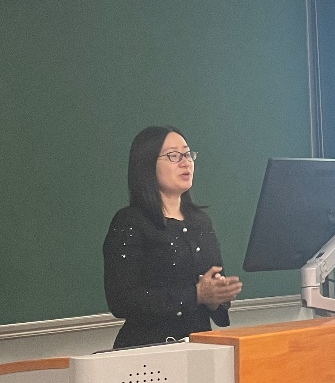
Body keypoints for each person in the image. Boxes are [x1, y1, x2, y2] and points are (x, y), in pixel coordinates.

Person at [103, 125, 242, 348]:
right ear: (147, 165)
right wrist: (195, 295)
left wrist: (217, 297)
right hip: (148, 351)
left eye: (187, 154)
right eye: (173, 156)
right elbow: (121, 300)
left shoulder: (200, 221)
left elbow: (214, 286)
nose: (185, 163)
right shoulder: (130, 222)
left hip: (200, 346)